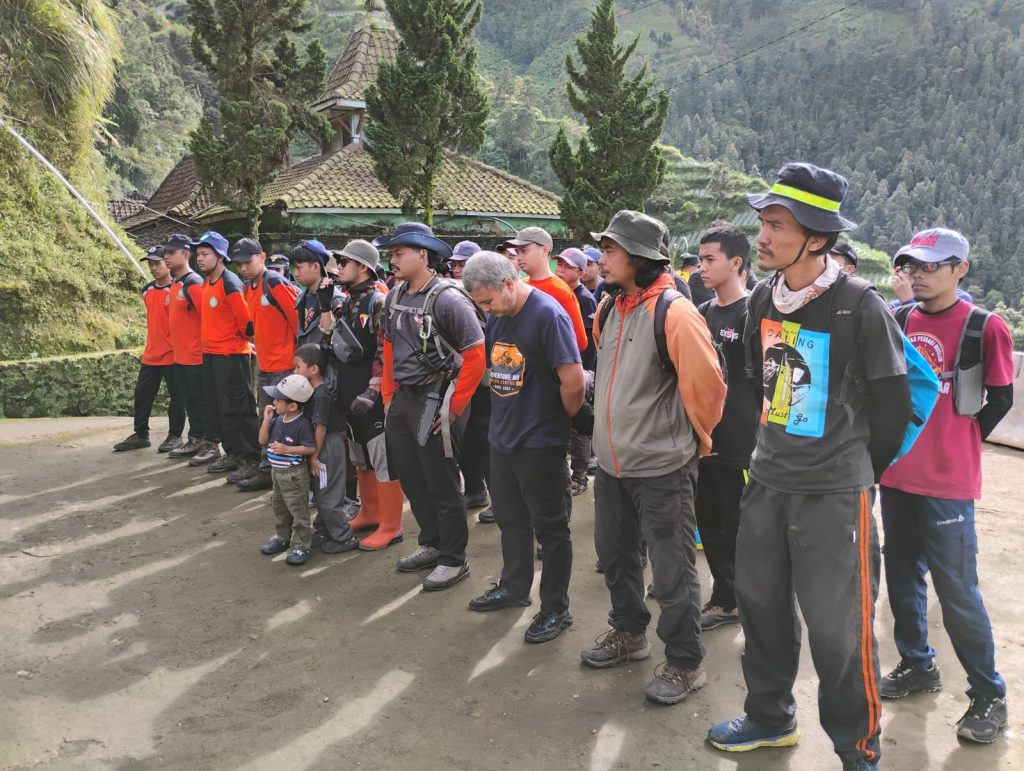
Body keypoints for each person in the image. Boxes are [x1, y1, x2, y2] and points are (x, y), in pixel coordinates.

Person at [707, 163, 912, 771]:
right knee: (762, 606)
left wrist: (850, 470)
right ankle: (770, 718)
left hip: (832, 493)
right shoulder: (765, 297)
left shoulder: (858, 307)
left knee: (838, 629)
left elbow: (894, 410)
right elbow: (758, 381)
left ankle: (856, 749)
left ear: (816, 239)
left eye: (776, 226)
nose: (762, 238)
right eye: (762, 223)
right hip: (768, 482)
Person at [580, 210, 726, 706]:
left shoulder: (675, 312)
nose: (603, 258)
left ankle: (686, 661)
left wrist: (695, 438)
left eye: (612, 250)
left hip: (662, 467)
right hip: (613, 466)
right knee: (616, 557)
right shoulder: (610, 308)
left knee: (672, 572)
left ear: (641, 259)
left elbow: (708, 385)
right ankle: (629, 634)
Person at [878, 228, 1014, 744]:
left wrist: (959, 439)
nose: (918, 274)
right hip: (897, 476)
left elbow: (998, 398)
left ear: (961, 269)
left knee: (956, 590)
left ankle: (987, 695)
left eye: (931, 266)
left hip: (949, 484)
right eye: (912, 265)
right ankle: (918, 665)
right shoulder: (899, 319)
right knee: (902, 579)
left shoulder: (985, 327)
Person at [463, 252, 585, 642]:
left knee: (551, 530)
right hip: (503, 438)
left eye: (488, 301)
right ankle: (514, 589)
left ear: (510, 283)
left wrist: (555, 424)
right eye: (480, 303)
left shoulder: (548, 315)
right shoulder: (498, 316)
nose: (486, 310)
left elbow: (574, 382)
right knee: (511, 521)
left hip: (540, 442)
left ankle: (555, 609)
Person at [376, 222, 486, 591]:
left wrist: (453, 408)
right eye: (391, 254)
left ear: (423, 254)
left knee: (440, 479)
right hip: (404, 398)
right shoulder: (394, 297)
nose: (392, 260)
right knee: (411, 476)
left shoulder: (448, 299)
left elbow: (475, 354)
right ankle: (432, 543)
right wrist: (389, 396)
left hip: (438, 396)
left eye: (398, 253)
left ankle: (454, 558)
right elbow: (389, 347)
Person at [694, 222, 759, 631]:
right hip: (705, 439)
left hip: (742, 440)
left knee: (739, 526)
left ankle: (740, 600)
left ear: (736, 263)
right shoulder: (702, 313)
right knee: (710, 522)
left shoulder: (754, 313)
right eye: (700, 259)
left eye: (709, 259)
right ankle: (725, 596)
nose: (701, 268)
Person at [327, 239, 407, 552]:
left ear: (363, 267)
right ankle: (369, 511)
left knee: (382, 457)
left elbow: (384, 351)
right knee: (360, 456)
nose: (339, 267)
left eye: (344, 261)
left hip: (371, 396)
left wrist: (375, 390)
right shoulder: (346, 302)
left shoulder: (378, 302)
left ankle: (391, 525)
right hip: (348, 393)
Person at [190, 231, 261, 473]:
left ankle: (251, 457)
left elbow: (247, 324)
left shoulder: (230, 283)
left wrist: (237, 343)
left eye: (205, 254)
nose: (199, 259)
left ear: (220, 256)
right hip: (211, 354)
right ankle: (233, 453)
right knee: (219, 408)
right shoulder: (207, 282)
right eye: (198, 254)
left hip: (231, 356)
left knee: (240, 408)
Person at [232, 237, 299, 491]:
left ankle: (282, 471)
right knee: (267, 417)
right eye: (238, 265)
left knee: (285, 419)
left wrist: (298, 362)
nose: (243, 269)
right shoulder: (248, 288)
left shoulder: (275, 283)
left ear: (262, 257)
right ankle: (266, 469)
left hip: (285, 365)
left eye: (247, 262)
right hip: (265, 364)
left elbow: (298, 321)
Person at [113, 245, 186, 454]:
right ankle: (141, 434)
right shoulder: (147, 290)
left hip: (174, 355)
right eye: (151, 264)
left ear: (168, 264)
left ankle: (175, 435)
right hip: (152, 354)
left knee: (177, 398)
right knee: (142, 395)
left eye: (158, 263)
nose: (154, 268)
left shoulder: (179, 290)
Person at [291, 344, 360, 554]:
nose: (295, 372)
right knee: (322, 493)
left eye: (297, 367)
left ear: (314, 369)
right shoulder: (313, 393)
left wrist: (313, 456)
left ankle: (343, 537)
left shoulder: (321, 395)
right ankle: (324, 530)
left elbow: (320, 429)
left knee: (328, 494)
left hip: (327, 449)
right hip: (323, 448)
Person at [448, 241, 493, 517]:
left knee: (485, 437)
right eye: (454, 264)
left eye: (463, 265)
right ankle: (475, 490)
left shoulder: (488, 295)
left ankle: (498, 498)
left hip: (486, 377)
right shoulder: (450, 295)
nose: (456, 270)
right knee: (465, 440)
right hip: (461, 376)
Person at [257, 374, 318, 566]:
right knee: (280, 508)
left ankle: (302, 545)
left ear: (292, 406)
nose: (273, 402)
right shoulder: (278, 420)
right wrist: (267, 420)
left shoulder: (302, 424)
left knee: (298, 510)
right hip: (277, 473)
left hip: (294, 475)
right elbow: (262, 440)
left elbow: (310, 448)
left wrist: (287, 449)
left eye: (277, 399)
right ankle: (282, 538)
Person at [502, 227, 588, 353]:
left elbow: (580, 343)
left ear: (545, 249)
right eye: (517, 252)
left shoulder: (561, 291)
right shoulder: (519, 286)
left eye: (524, 251)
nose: (519, 257)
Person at [554, 247, 597, 496]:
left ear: (581, 272)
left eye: (567, 266)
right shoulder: (559, 292)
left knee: (578, 425)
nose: (560, 268)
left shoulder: (583, 298)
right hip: (562, 369)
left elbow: (587, 344)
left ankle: (579, 476)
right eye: (558, 264)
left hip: (580, 370)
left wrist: (582, 376)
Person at [164, 234, 209, 460]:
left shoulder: (194, 284)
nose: (167, 257)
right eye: (166, 252)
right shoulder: (175, 284)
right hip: (179, 357)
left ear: (185, 254)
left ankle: (207, 442)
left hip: (196, 356)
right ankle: (195, 439)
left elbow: (209, 320)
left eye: (172, 252)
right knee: (189, 401)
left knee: (201, 401)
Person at [292, 239, 343, 347]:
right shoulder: (300, 298)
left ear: (315, 267)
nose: (295, 274)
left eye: (299, 268)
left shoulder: (336, 300)